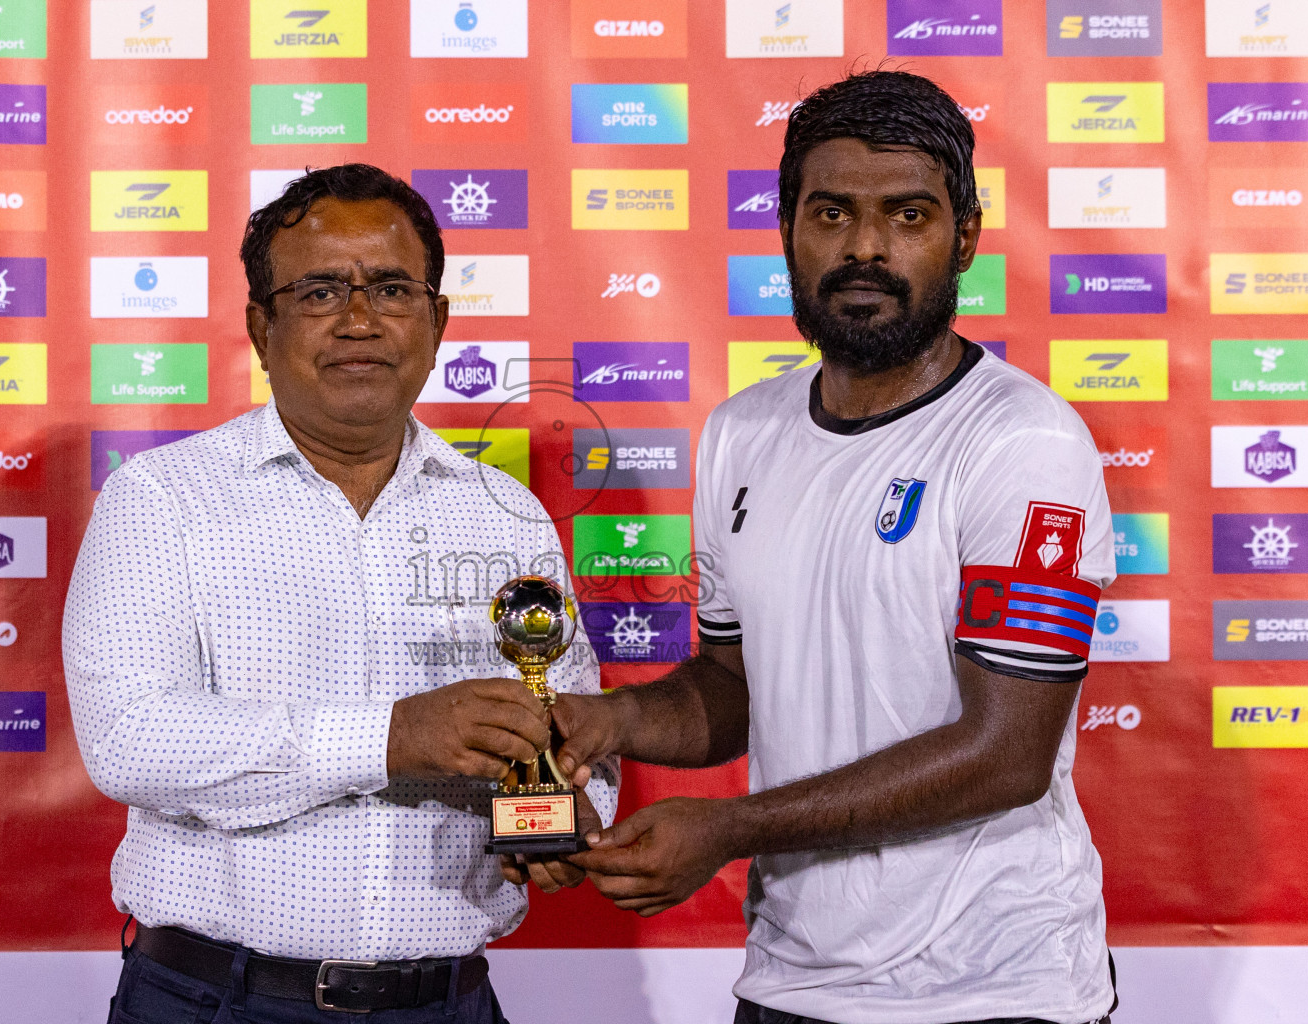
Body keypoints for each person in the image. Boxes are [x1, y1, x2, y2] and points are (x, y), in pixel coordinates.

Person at [555, 71, 1119, 1024]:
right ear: (785, 231)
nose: (865, 247)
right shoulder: (739, 432)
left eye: (907, 214)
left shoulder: (1022, 441)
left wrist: (729, 829)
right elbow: (735, 693)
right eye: (831, 214)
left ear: (966, 236)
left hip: (993, 995)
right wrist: (610, 723)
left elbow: (1006, 754)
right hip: (789, 985)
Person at [63, 163, 616, 1023]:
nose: (360, 319)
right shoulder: (164, 496)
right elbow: (129, 739)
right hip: (217, 999)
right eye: (321, 290)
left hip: (449, 1001)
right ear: (261, 324)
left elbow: (573, 724)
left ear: (436, 321)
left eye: (391, 288)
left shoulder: (508, 515)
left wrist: (558, 816)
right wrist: (393, 736)